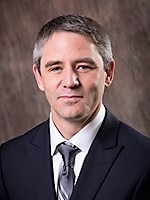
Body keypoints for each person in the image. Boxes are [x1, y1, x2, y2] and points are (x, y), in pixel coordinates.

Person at [0, 14, 150, 200]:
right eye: (55, 68)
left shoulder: (144, 160)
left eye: (83, 67)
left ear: (108, 73)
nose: (70, 82)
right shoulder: (6, 161)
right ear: (39, 77)